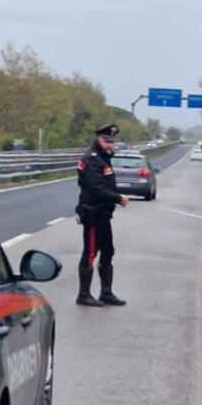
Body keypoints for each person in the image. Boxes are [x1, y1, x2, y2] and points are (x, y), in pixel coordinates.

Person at [75, 123, 129, 306]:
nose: (110, 145)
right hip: (93, 212)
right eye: (106, 141)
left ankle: (106, 292)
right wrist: (117, 198)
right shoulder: (91, 159)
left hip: (104, 213)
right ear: (98, 139)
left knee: (108, 251)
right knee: (90, 252)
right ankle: (83, 294)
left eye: (112, 142)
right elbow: (97, 188)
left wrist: (114, 198)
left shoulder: (104, 159)